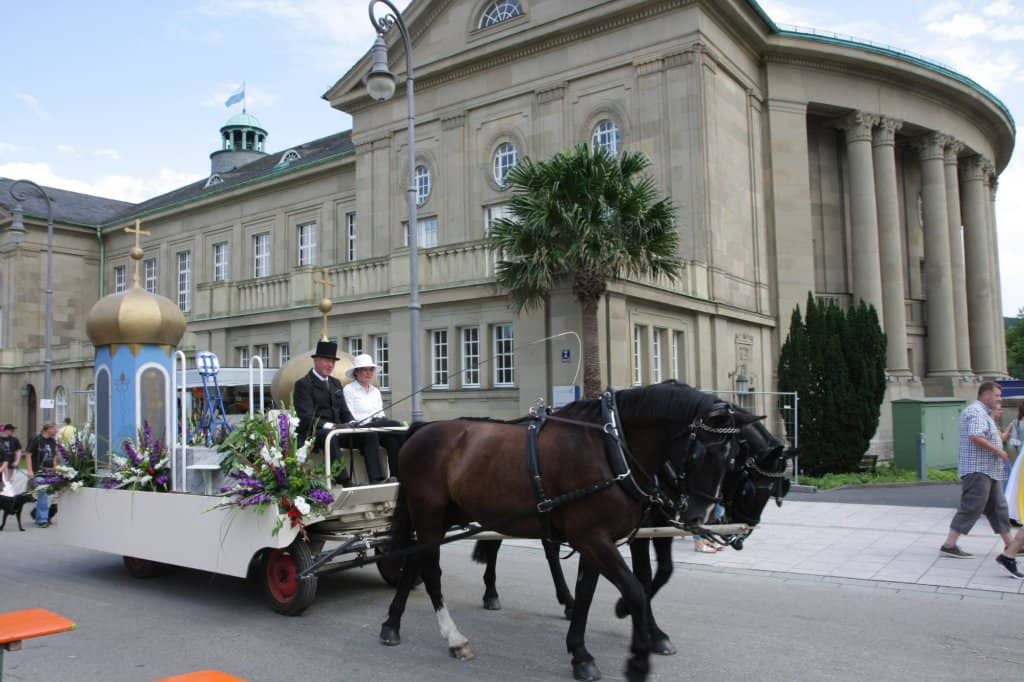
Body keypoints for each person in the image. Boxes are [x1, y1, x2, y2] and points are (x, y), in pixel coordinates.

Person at [940, 381, 1016, 565]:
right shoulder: (976, 411)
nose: (999, 399)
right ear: (986, 395)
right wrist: (998, 451)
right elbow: (975, 436)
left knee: (999, 508)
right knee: (972, 505)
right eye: (997, 395)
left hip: (988, 470)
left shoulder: (983, 413)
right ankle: (949, 545)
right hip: (977, 469)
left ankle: (1012, 546)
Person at [292, 341, 358, 485]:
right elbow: (306, 417)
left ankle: (377, 478)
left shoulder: (336, 383)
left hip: (337, 430)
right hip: (315, 433)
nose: (330, 365)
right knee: (330, 436)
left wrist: (352, 422)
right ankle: (343, 480)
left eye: (333, 362)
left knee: (369, 434)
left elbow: (344, 411)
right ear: (316, 361)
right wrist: (331, 426)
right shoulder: (303, 384)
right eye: (327, 361)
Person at [343, 353, 404, 483]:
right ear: (356, 373)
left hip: (377, 426)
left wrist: (381, 421)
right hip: (360, 430)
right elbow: (349, 417)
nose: (368, 373)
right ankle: (376, 479)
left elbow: (380, 414)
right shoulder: (349, 390)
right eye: (365, 370)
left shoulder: (375, 391)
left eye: (371, 370)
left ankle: (397, 476)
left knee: (393, 440)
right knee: (393, 427)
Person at [26, 423, 58, 528]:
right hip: (38, 472)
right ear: (48, 429)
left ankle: (37, 513)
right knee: (43, 492)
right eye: (54, 428)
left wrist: (55, 469)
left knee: (53, 495)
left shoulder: (53, 441)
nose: (56, 430)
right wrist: (30, 470)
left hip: (50, 473)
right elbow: (28, 454)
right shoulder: (37, 440)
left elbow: (54, 456)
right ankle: (42, 520)